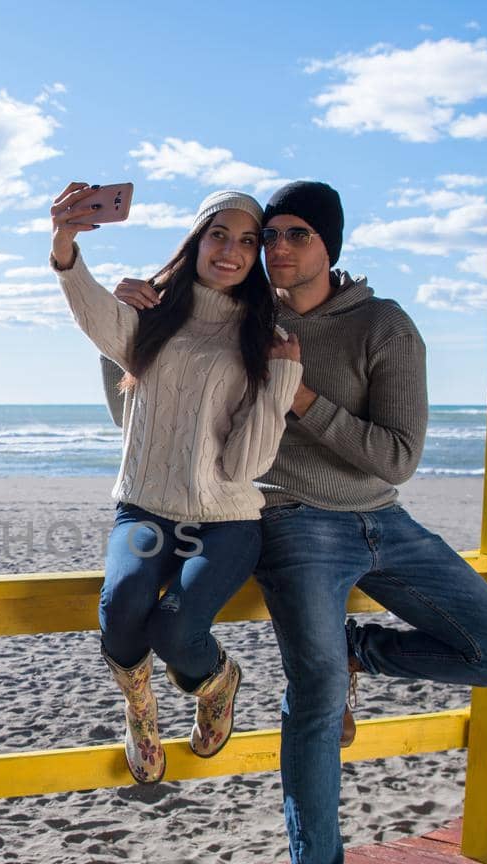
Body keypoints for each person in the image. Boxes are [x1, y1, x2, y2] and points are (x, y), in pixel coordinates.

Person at [113, 180, 487, 864]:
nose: (275, 248)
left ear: (330, 245)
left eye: (296, 234)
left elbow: (397, 455)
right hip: (294, 524)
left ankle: (361, 651)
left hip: (387, 522)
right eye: (268, 235)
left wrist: (300, 395)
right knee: (312, 706)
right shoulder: (237, 317)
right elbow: (147, 417)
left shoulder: (384, 326)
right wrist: (129, 330)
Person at [50, 183, 302, 786]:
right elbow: (91, 314)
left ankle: (216, 682)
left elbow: (244, 467)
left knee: (176, 627)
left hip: (228, 522)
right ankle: (140, 711)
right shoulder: (149, 315)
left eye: (248, 241)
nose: (232, 252)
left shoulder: (260, 337)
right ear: (197, 241)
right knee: (121, 604)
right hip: (144, 513)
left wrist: (281, 379)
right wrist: (63, 244)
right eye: (220, 235)